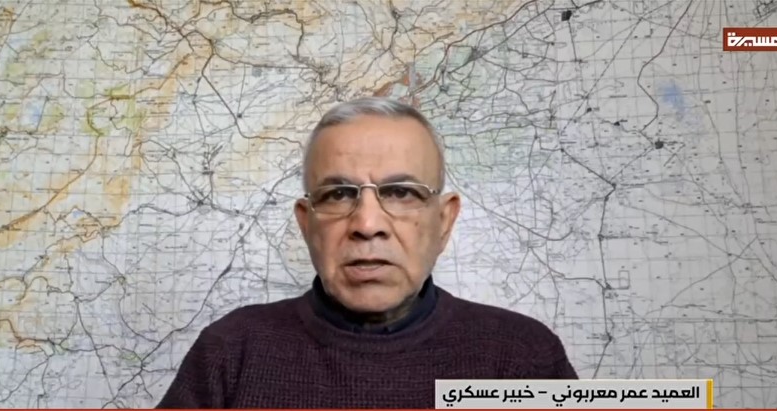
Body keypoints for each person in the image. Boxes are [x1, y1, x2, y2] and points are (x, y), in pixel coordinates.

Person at [156, 97, 577, 409]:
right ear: (306, 223)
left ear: (444, 221)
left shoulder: (522, 355)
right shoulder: (231, 350)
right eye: (338, 194)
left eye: (401, 192)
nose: (367, 223)